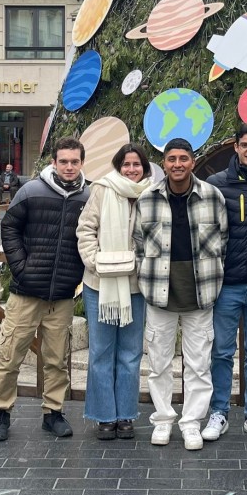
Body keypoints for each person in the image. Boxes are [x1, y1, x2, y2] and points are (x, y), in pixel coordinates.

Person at [0, 137, 90, 442]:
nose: (69, 167)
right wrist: (21, 266)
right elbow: (10, 227)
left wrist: (79, 274)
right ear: (54, 163)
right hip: (26, 292)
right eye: (64, 161)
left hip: (62, 295)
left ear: (82, 162)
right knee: (10, 356)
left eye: (74, 161)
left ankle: (53, 412)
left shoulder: (90, 195)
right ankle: (1, 412)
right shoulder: (31, 190)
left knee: (57, 358)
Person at [133, 138, 228, 450]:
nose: (177, 164)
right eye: (171, 158)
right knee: (159, 363)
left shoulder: (213, 196)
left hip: (201, 292)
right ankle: (162, 420)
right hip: (159, 293)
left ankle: (191, 424)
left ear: (193, 161)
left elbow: (223, 239)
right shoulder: (147, 199)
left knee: (199, 364)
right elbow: (137, 242)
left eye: (183, 158)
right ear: (164, 163)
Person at [202, 123, 247, 444]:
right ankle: (218, 410)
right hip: (227, 283)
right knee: (221, 351)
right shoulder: (217, 184)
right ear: (235, 146)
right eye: (244, 145)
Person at [77, 143, 152, 441]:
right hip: (100, 284)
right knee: (101, 352)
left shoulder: (151, 194)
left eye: (136, 165)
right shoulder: (102, 190)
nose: (131, 169)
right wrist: (95, 263)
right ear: (118, 166)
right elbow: (85, 229)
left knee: (131, 354)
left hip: (136, 286)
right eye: (126, 164)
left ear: (144, 168)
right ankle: (105, 415)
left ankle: (126, 415)